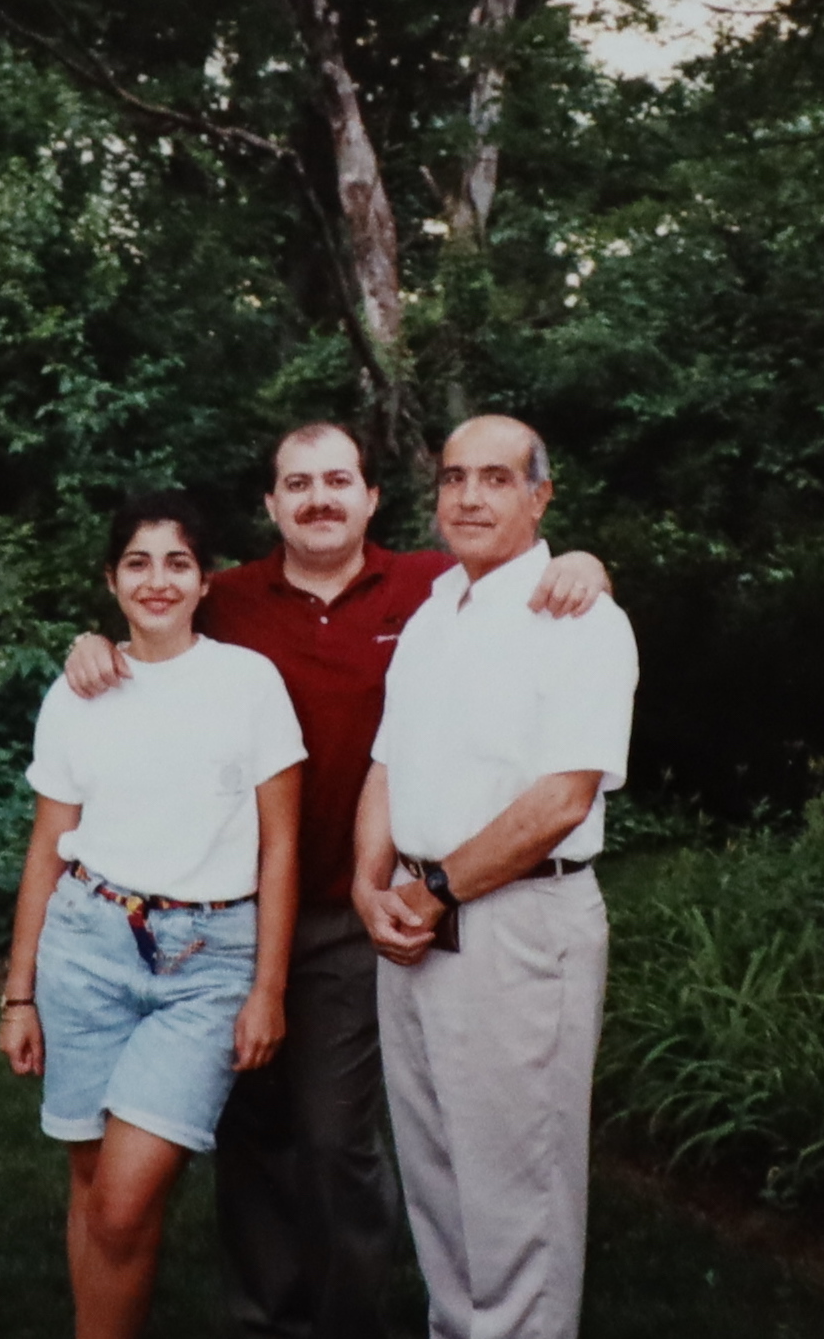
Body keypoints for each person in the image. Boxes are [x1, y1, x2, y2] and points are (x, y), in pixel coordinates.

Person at [63, 423, 612, 1339]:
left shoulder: (427, 589)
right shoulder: (230, 599)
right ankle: (267, 1318)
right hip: (236, 914)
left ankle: (350, 1318)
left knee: (335, 1138)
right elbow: (151, 639)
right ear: (271, 504)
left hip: (366, 914)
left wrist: (588, 565)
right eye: (297, 483)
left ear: (370, 497)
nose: (318, 498)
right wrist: (92, 644)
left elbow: (533, 588)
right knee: (252, 1131)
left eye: (337, 480)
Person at [352, 415, 638, 1339]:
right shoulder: (435, 612)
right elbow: (387, 763)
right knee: (438, 1184)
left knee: (519, 1197)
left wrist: (433, 890)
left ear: (539, 496)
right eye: (453, 478)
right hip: (412, 924)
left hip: (518, 923)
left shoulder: (580, 620)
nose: (469, 497)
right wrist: (368, 885)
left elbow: (560, 799)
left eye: (496, 478)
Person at [0, 489, 307, 1339]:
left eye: (177, 563)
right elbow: (47, 846)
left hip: (207, 963)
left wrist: (267, 990)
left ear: (206, 581)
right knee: (92, 1185)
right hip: (85, 946)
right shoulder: (78, 692)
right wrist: (18, 994)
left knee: (125, 1201)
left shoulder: (247, 683)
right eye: (137, 563)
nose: (157, 581)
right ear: (111, 580)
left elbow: (281, 846)